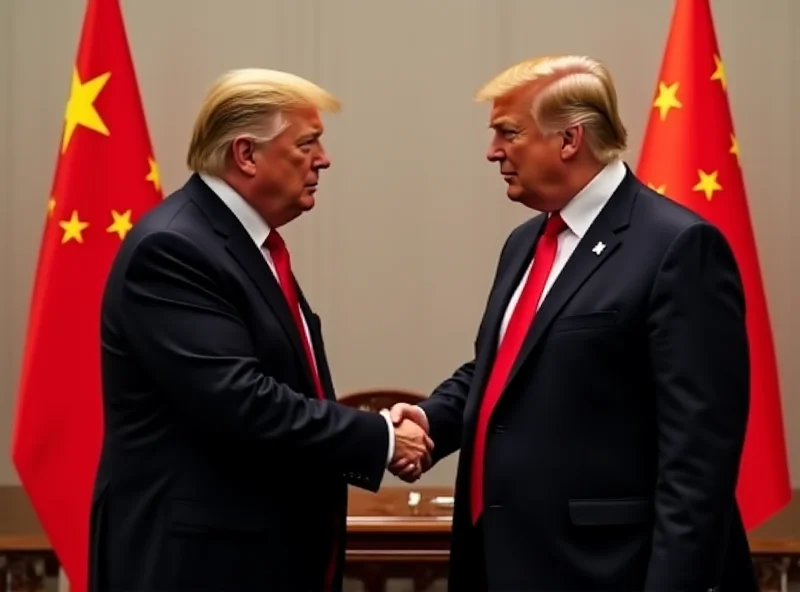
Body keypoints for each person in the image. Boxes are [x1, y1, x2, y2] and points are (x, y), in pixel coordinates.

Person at [389, 55, 757, 591]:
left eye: (508, 133)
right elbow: (506, 368)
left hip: (608, 570)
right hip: (505, 561)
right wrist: (431, 421)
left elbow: (699, 461)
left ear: (569, 140)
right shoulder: (526, 243)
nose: (493, 152)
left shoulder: (677, 246)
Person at [89, 68, 432, 592]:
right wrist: (381, 438)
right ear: (246, 155)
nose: (324, 159)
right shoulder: (175, 248)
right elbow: (240, 400)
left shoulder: (240, 243)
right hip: (196, 566)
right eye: (307, 143)